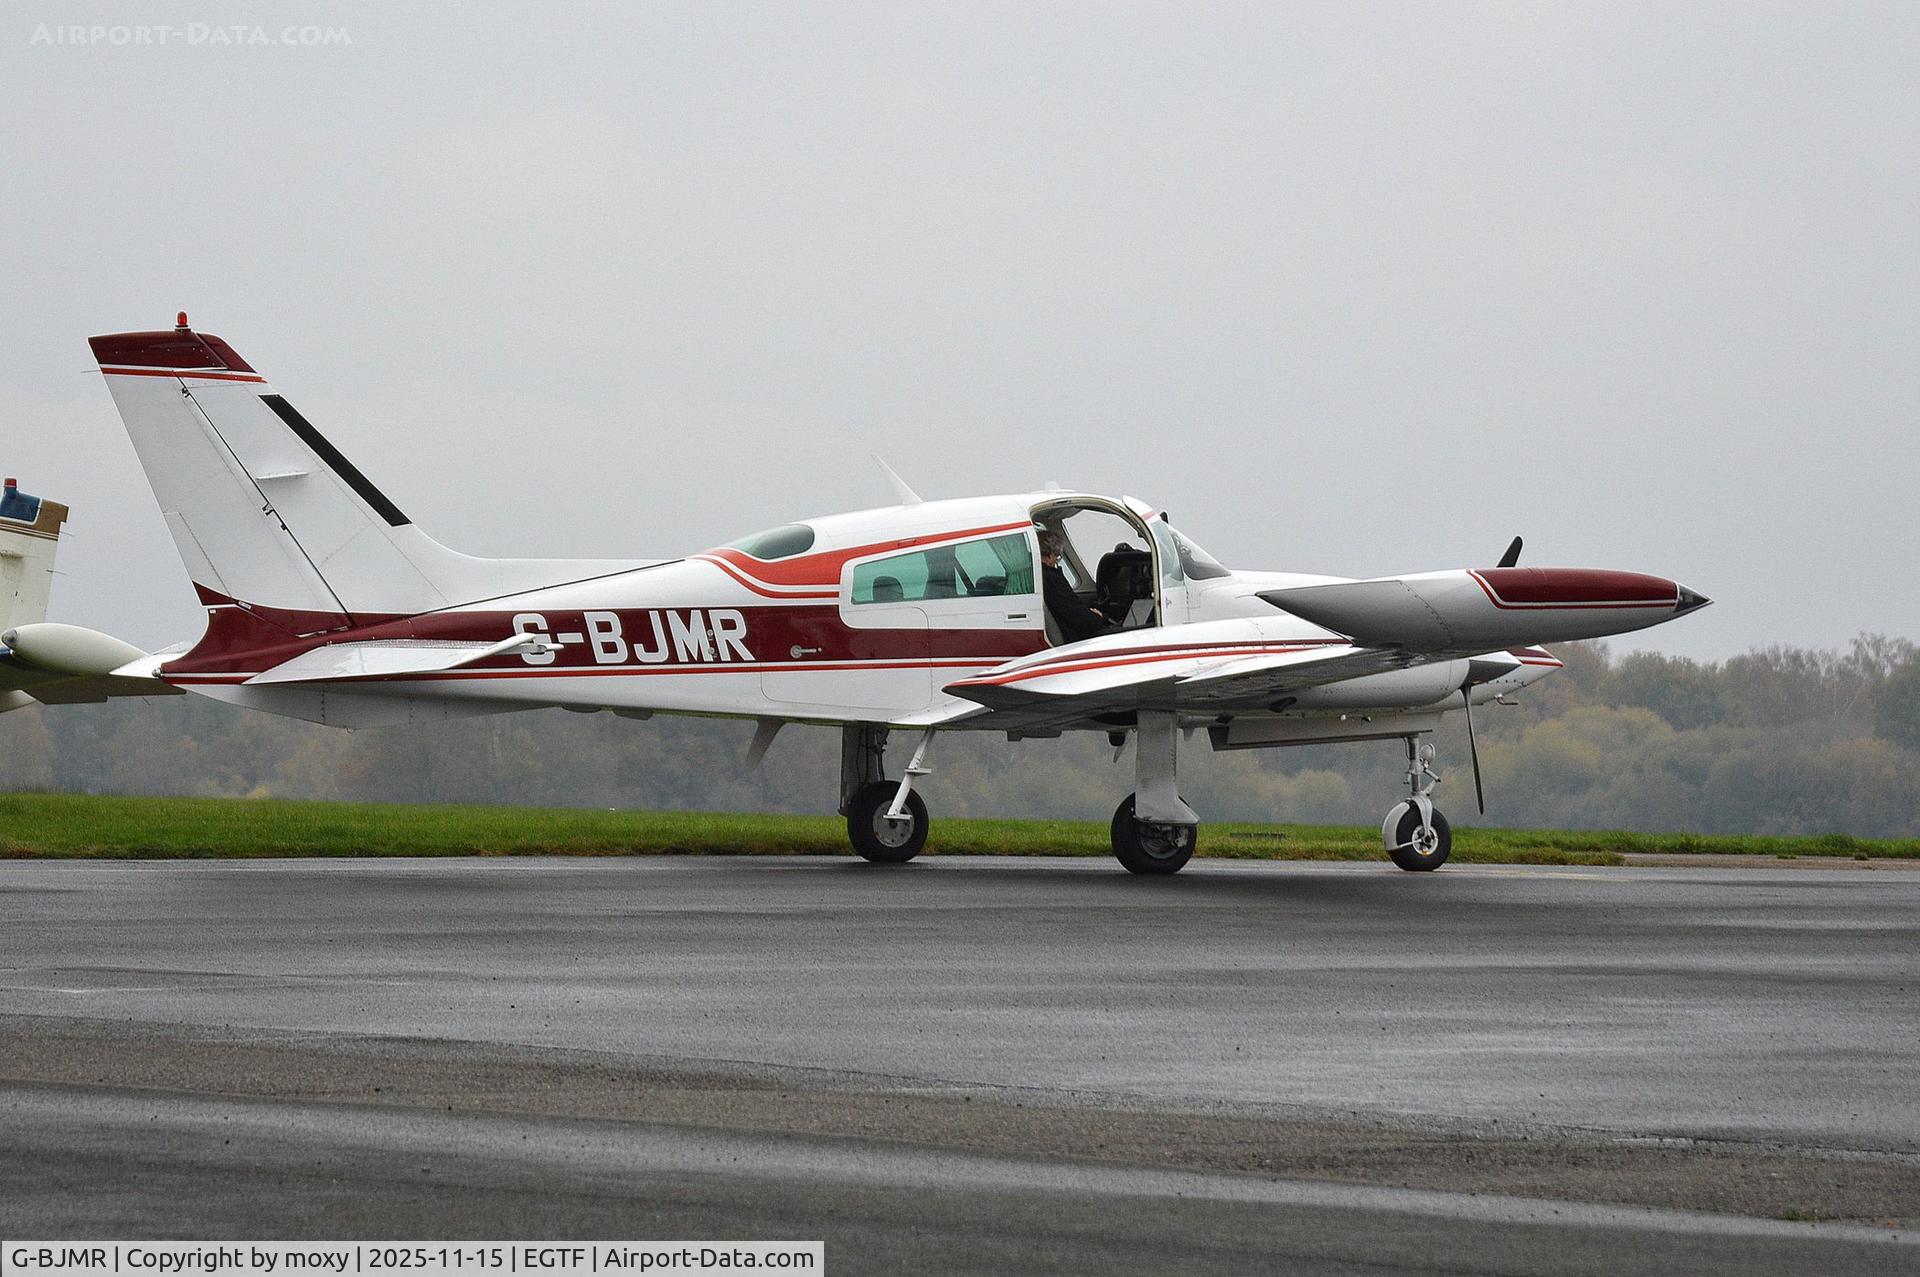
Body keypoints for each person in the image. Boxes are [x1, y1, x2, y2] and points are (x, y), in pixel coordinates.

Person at [1038, 529, 1112, 643]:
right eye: (1057, 557)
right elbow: (1079, 618)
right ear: (1048, 556)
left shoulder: (1039, 575)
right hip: (1072, 638)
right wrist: (1100, 618)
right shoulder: (1052, 579)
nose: (1056, 561)